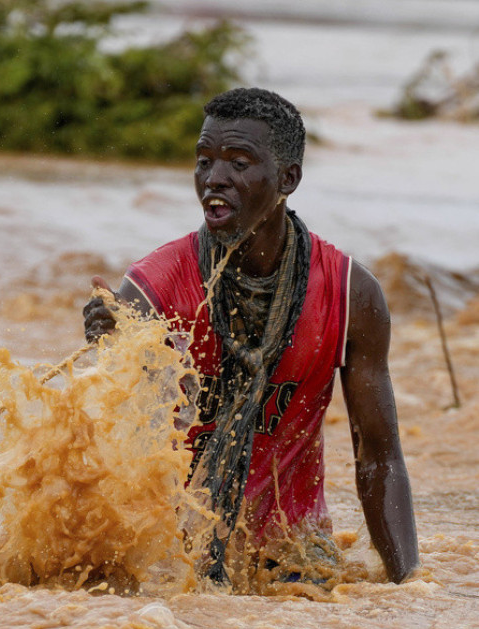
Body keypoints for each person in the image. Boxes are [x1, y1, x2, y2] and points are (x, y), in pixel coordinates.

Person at [83, 87, 419, 586]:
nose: (214, 179)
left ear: (288, 178)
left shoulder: (351, 294)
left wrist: (409, 589)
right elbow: (113, 451)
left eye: (239, 163)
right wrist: (114, 346)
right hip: (173, 553)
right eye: (204, 161)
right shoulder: (154, 289)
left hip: (292, 550)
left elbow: (378, 454)